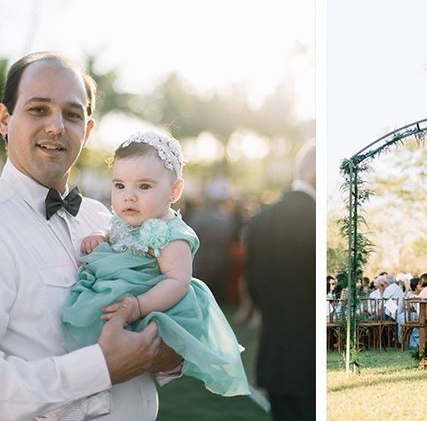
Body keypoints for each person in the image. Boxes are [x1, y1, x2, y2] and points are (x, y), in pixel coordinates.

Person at [0, 52, 174, 420]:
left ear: (88, 130)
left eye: (72, 114)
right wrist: (101, 367)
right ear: (4, 119)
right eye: (38, 109)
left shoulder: (105, 218)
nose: (56, 126)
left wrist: (167, 354)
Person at [61, 131, 250, 397]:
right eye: (119, 186)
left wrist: (140, 306)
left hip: (149, 298)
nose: (129, 196)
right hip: (117, 285)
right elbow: (116, 235)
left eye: (144, 186)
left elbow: (178, 281)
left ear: (174, 191)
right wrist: (101, 236)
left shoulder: (171, 234)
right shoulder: (122, 221)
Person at [245, 141, 315, 421]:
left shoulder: (261, 220)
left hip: (276, 358)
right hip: (310, 362)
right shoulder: (314, 218)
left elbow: (254, 287)